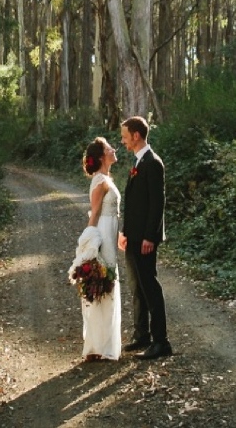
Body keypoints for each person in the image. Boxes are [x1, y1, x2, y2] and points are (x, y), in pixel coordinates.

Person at [118, 116, 171, 359]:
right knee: (136, 286)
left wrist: (150, 236)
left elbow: (157, 204)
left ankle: (161, 341)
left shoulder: (153, 163)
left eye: (125, 137)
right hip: (134, 236)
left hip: (145, 239)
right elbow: (134, 205)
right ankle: (142, 335)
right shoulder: (139, 162)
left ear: (136, 135)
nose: (124, 142)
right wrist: (125, 232)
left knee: (150, 286)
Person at [77, 136, 122, 361]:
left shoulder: (106, 178)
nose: (114, 149)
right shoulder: (99, 181)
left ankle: (106, 343)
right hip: (102, 235)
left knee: (109, 283)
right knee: (103, 282)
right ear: (102, 156)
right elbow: (94, 214)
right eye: (108, 148)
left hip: (111, 232)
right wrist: (90, 245)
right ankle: (97, 346)